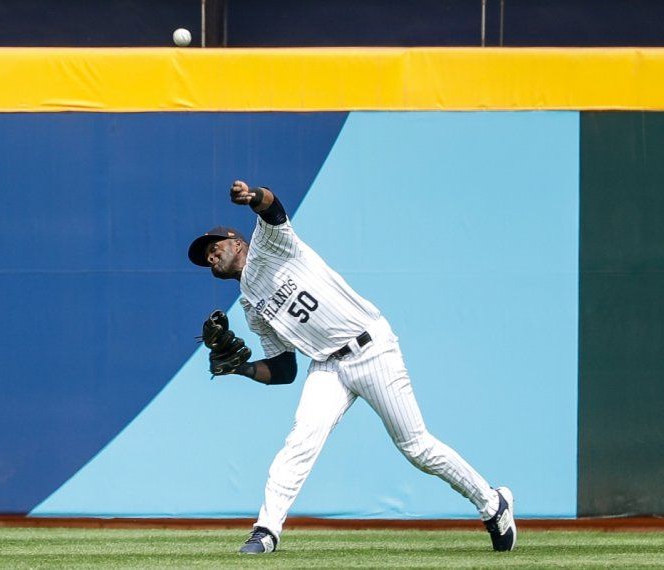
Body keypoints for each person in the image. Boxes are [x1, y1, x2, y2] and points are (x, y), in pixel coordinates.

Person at [187, 180, 516, 555]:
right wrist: (241, 370)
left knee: (417, 447)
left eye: (215, 247)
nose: (210, 256)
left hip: (371, 347)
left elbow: (272, 209)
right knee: (300, 441)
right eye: (205, 257)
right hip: (327, 366)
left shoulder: (269, 248)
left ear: (237, 242)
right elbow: (284, 370)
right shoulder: (250, 305)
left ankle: (492, 504)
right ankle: (265, 531)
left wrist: (253, 197)